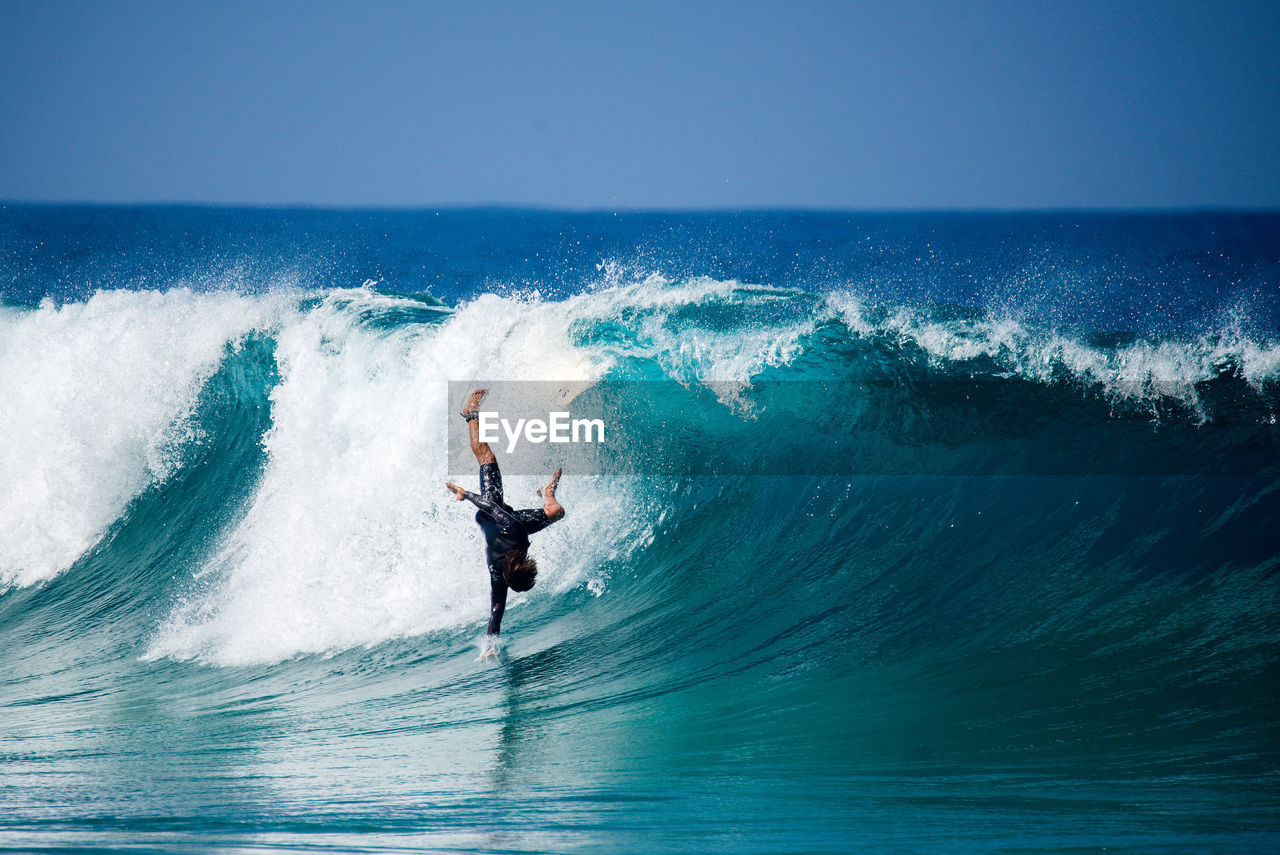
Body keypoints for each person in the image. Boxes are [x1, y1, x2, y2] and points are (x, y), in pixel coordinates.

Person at [445, 388, 564, 643]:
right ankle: (547, 493)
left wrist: (465, 494)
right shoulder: (502, 574)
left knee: (486, 456)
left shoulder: (513, 536)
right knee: (556, 512)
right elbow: (496, 612)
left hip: (492, 511)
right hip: (508, 523)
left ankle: (470, 413)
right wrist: (491, 645)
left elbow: (491, 508)